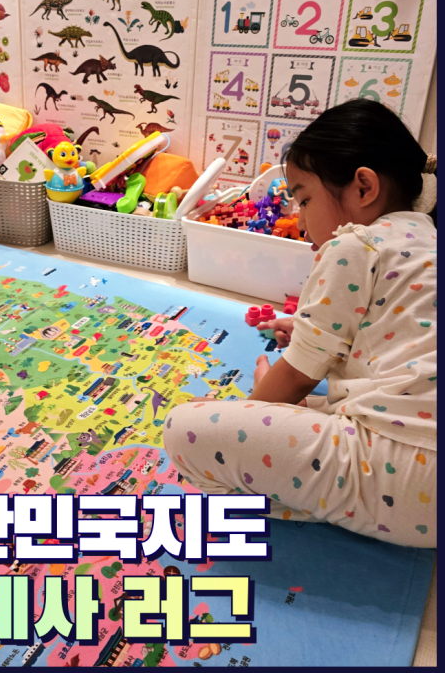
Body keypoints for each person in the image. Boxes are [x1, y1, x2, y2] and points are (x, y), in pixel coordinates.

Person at [165, 99, 436, 548]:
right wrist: (311, 333)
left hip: (407, 479)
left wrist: (252, 413)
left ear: (364, 187)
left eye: (305, 199)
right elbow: (396, 335)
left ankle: (313, 504)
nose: (300, 220)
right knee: (317, 408)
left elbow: (295, 376)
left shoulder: (357, 244)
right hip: (419, 468)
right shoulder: (425, 238)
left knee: (185, 428)